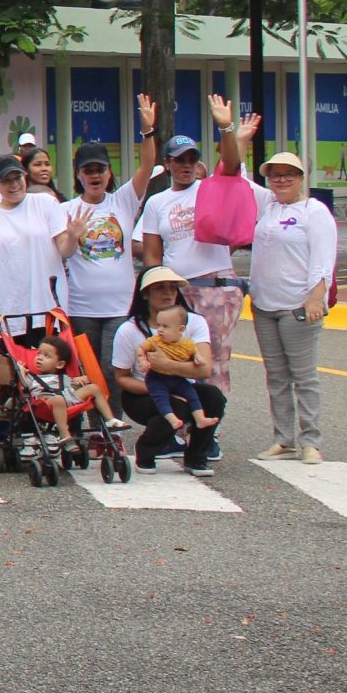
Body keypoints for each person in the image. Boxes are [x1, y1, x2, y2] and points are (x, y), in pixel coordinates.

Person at [133, 102, 258, 389]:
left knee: (211, 364)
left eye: (192, 159)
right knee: (175, 359)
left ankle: (210, 416)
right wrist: (157, 293)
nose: (186, 165)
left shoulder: (212, 187)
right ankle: (184, 415)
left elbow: (231, 164)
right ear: (168, 164)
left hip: (215, 288)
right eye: (179, 160)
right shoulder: (157, 202)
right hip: (177, 291)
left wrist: (226, 128)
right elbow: (152, 255)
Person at [250, 149, 338, 463]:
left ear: (301, 178)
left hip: (297, 307)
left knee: (304, 377)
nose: (282, 180)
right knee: (276, 377)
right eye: (275, 175)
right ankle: (283, 440)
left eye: (289, 174)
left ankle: (311, 441)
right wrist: (232, 133)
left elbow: (323, 258)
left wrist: (316, 297)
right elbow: (234, 175)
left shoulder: (314, 211)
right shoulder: (267, 205)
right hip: (264, 305)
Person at [108, 267, 227, 473]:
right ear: (144, 294)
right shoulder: (129, 330)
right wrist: (158, 390)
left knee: (214, 397)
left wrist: (167, 365)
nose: (168, 292)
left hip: (182, 386)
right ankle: (146, 452)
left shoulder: (194, 322)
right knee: (176, 406)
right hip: (142, 393)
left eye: (172, 287)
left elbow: (204, 369)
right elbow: (122, 377)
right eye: (160, 288)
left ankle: (196, 457)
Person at [0, 153, 83, 341]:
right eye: (6, 181)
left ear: (24, 176)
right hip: (10, 309)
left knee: (52, 358)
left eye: (17, 178)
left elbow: (65, 250)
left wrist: (73, 237)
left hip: (49, 306)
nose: (14, 185)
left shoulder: (45, 203)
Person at [57, 142, 146, 378]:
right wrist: (73, 236)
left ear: (109, 172)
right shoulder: (66, 209)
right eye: (88, 170)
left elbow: (147, 165)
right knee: (88, 370)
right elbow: (64, 252)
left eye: (100, 169)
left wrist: (147, 132)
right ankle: (95, 406)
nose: (95, 176)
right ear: (78, 174)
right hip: (81, 307)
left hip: (121, 305)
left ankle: (113, 406)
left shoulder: (123, 201)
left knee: (113, 368)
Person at [135, 305, 216, 448]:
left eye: (165, 326)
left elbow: (194, 352)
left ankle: (200, 418)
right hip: (157, 378)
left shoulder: (187, 343)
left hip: (176, 377)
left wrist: (198, 358)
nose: (160, 330)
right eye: (158, 325)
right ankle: (172, 419)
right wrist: (142, 360)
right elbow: (140, 348)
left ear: (181, 329)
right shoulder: (154, 341)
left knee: (191, 394)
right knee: (161, 398)